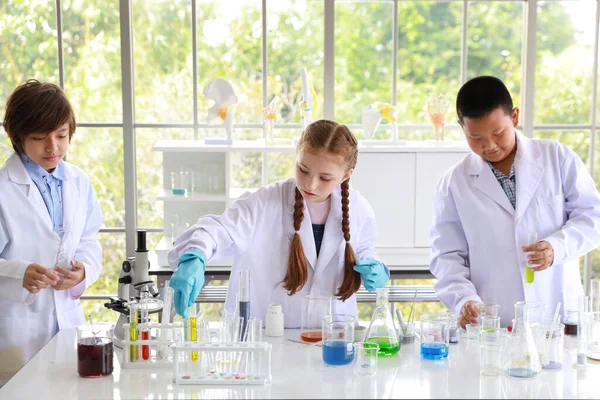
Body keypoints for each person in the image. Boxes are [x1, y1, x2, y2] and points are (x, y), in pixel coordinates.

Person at [168, 119, 388, 325]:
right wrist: (195, 256)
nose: (310, 184)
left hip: (334, 337)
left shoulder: (359, 209)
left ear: (346, 175)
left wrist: (374, 268)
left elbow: (364, 250)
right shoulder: (264, 203)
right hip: (270, 339)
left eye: (325, 177)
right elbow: (219, 230)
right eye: (303, 170)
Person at [429, 76, 600, 329]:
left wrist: (556, 248)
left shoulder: (557, 157)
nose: (489, 146)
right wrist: (464, 299)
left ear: (515, 118)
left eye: (498, 132)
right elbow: (446, 256)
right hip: (495, 322)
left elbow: (592, 217)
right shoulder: (454, 183)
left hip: (558, 315)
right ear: (461, 127)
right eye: (475, 137)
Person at [0, 80, 103, 385]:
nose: (53, 148)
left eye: (61, 135)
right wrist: (20, 273)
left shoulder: (79, 181)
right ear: (16, 136)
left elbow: (89, 240)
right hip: (18, 330)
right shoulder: (4, 189)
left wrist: (83, 271)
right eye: (39, 137)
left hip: (68, 322)